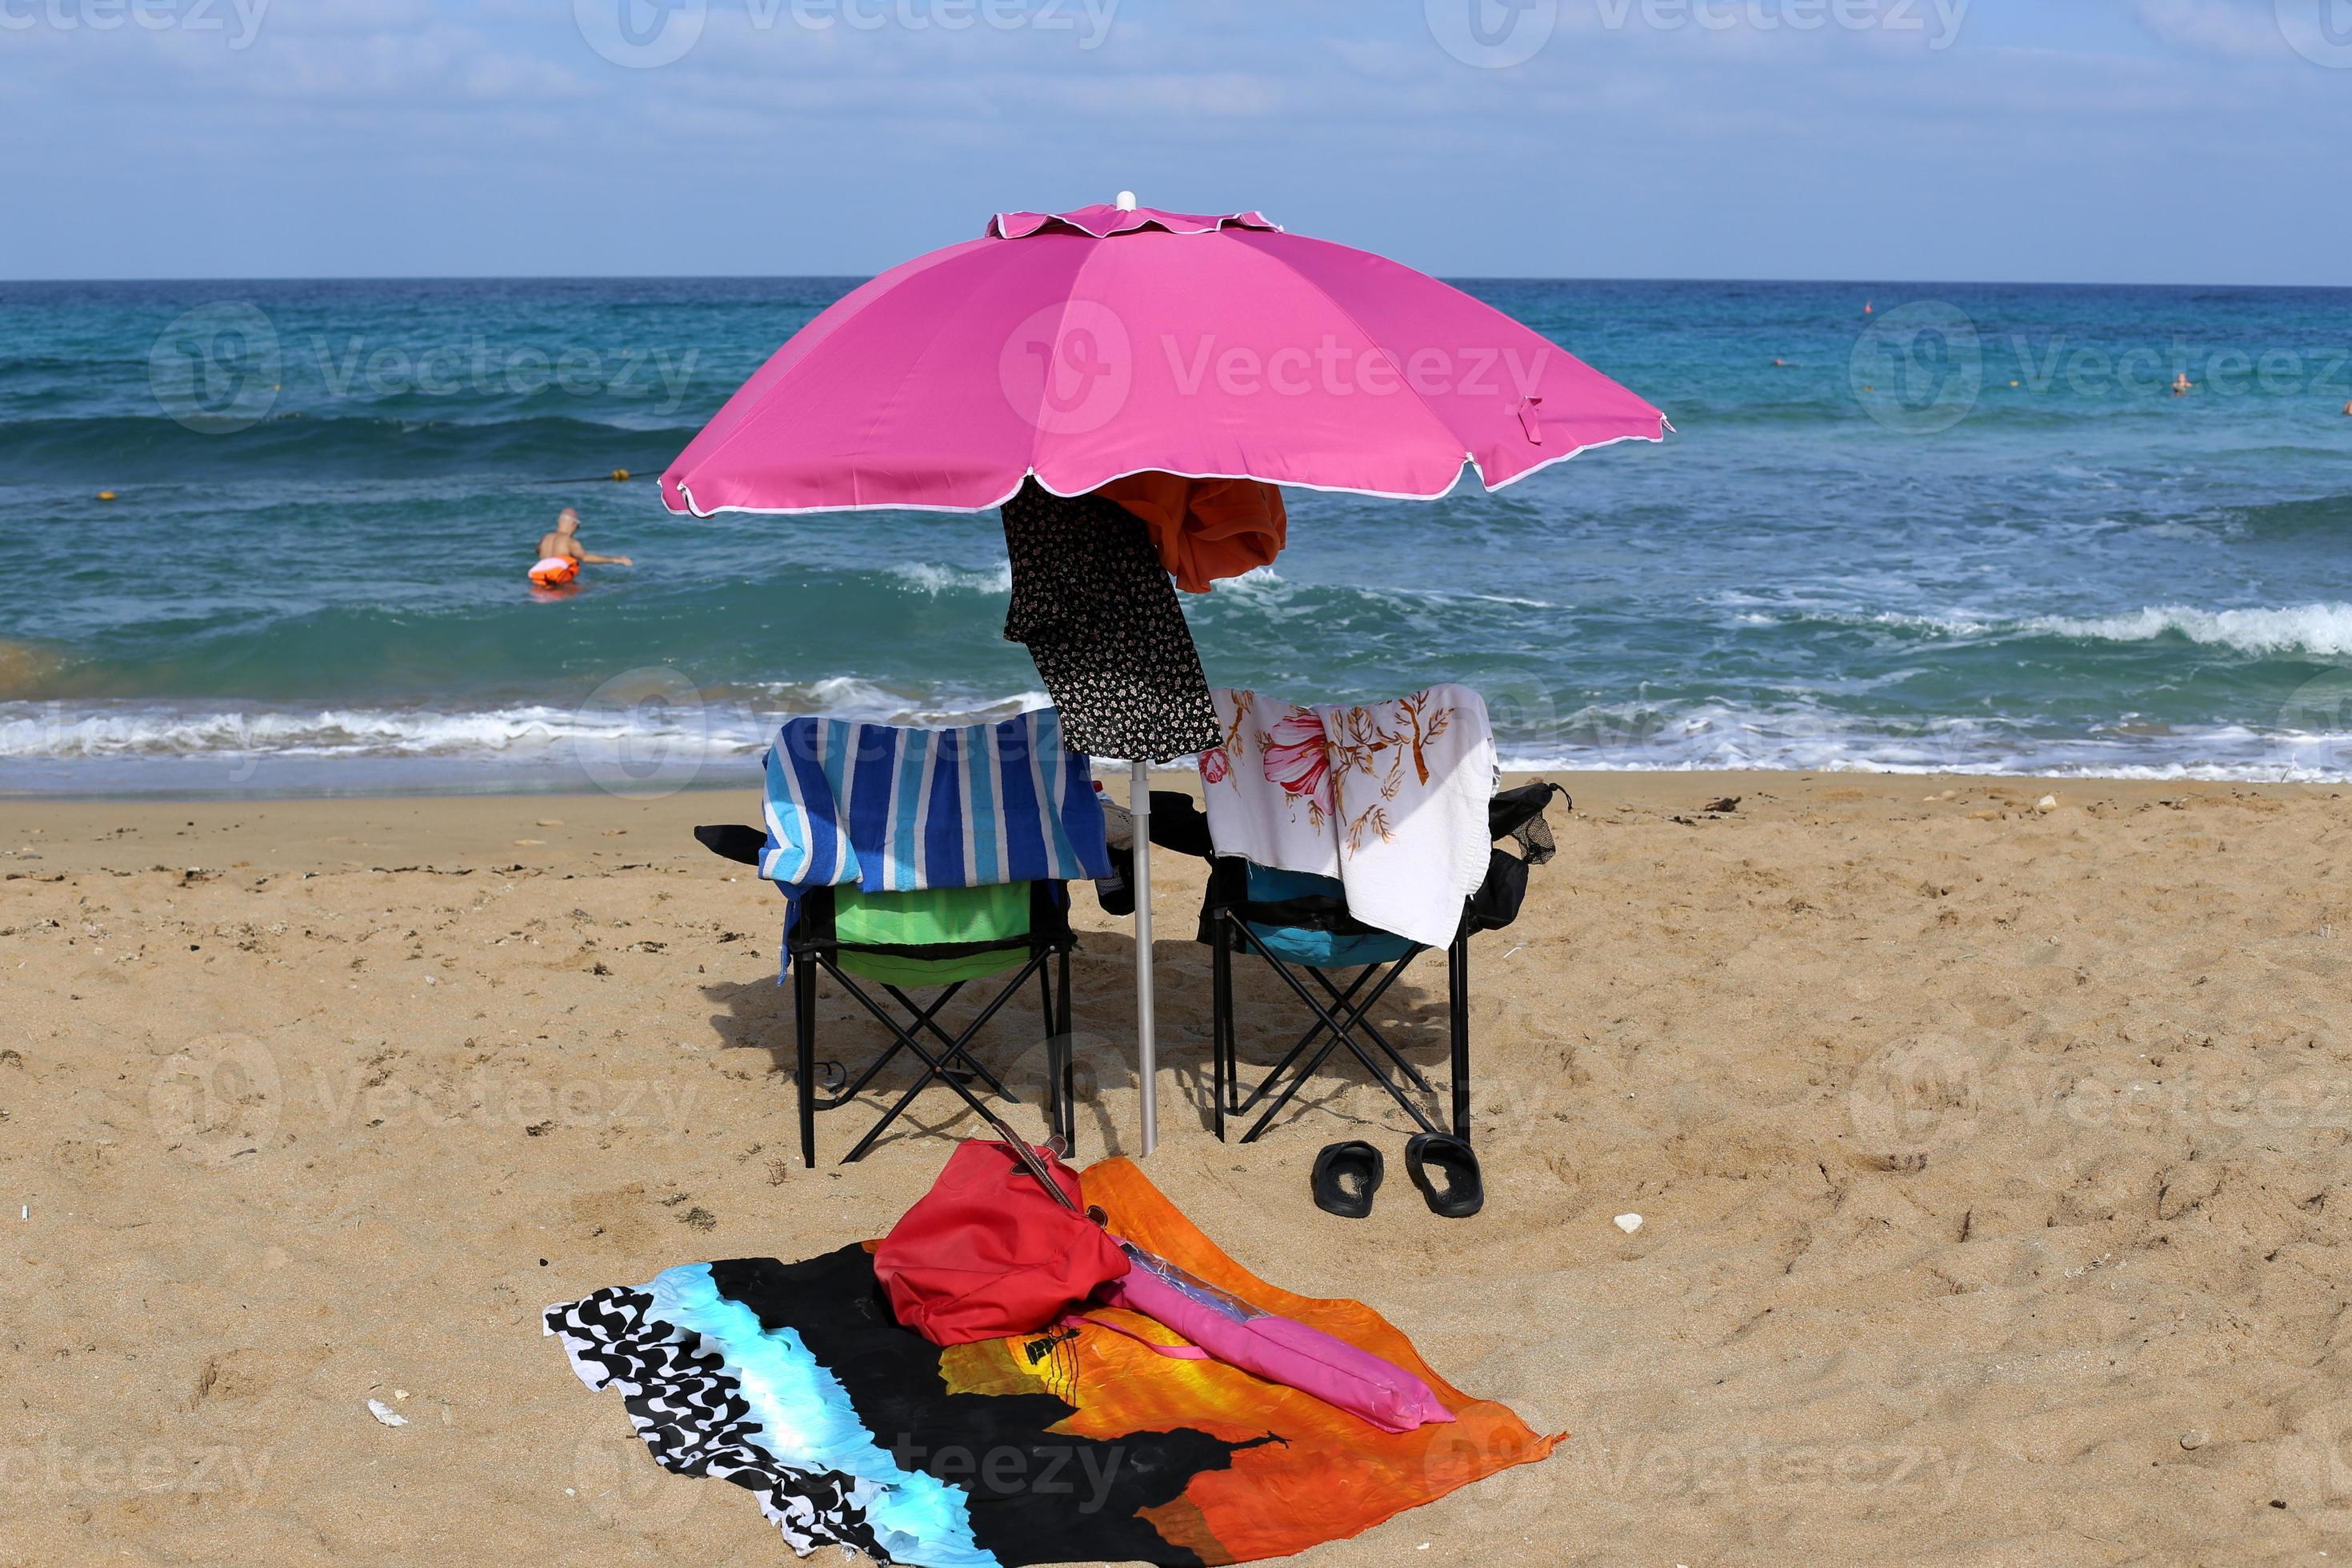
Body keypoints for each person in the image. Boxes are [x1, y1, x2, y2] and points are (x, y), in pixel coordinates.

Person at [530, 508, 631, 588]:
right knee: (598, 587)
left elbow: (537, 551)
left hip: (540, 583)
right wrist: (615, 560)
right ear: (574, 524)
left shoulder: (545, 538)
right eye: (578, 527)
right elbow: (586, 558)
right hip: (561, 586)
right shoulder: (569, 541)